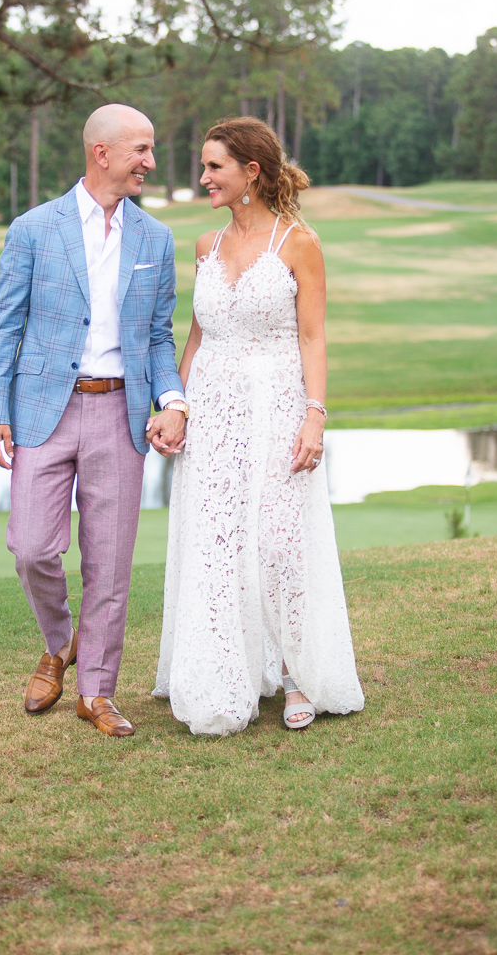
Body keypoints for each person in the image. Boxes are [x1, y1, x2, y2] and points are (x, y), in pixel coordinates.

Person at [152, 116, 364, 736]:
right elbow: (195, 334)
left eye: (214, 165)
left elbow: (313, 336)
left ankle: (298, 673)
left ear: (252, 171)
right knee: (215, 537)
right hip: (213, 407)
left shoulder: (298, 242)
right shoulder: (205, 247)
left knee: (278, 538)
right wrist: (177, 406)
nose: (203, 176)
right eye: (203, 164)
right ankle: (222, 673)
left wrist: (315, 417)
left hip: (276, 402)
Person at [0, 104, 187, 738]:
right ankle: (59, 641)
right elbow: (5, 326)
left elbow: (158, 336)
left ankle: (96, 692)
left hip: (120, 413)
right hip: (43, 411)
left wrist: (174, 400)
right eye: (141, 151)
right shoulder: (33, 229)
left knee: (111, 562)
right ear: (103, 153)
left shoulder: (155, 238)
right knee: (32, 548)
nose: (150, 163)